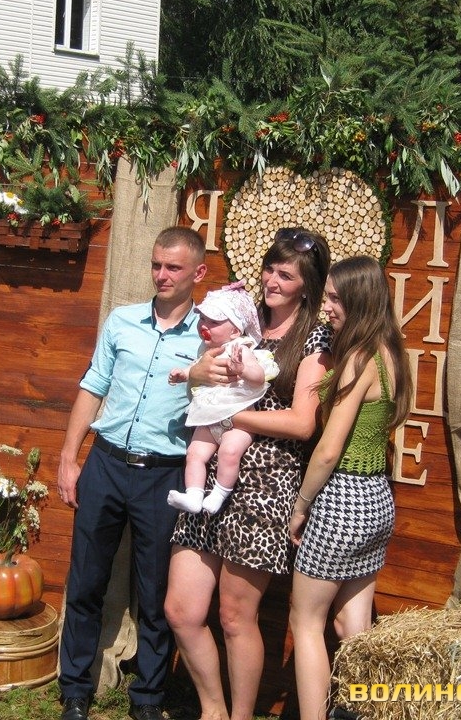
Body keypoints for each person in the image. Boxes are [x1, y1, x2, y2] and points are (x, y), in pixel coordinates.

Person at [166, 227, 333, 720]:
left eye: (286, 275)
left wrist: (233, 418)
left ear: (307, 285)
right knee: (181, 610)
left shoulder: (315, 338)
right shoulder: (242, 316)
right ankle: (212, 711)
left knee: (236, 616)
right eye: (269, 269)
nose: (272, 281)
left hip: (264, 484)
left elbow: (302, 423)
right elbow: (202, 378)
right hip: (208, 475)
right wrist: (198, 376)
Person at [56, 226, 208, 720]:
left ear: (198, 273)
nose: (162, 275)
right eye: (156, 265)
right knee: (86, 581)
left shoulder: (209, 337)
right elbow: (93, 386)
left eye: (173, 267)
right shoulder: (121, 322)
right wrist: (69, 456)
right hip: (106, 463)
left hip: (164, 475)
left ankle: (148, 698)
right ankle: (75, 689)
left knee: (156, 591)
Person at [288, 256, 413, 720]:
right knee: (353, 626)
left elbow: (328, 450)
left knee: (306, 621)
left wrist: (301, 505)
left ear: (360, 300)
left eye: (336, 299)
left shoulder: (359, 358)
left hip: (342, 499)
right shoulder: (391, 352)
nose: (327, 307)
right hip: (377, 499)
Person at [167, 280, 279, 515]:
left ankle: (219, 494)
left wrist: (243, 369)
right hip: (210, 417)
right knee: (195, 453)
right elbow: (195, 368)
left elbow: (258, 377)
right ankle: (194, 495)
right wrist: (184, 374)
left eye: (214, 322)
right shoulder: (205, 350)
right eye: (202, 319)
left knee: (230, 452)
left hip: (238, 418)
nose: (204, 325)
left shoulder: (241, 349)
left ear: (235, 330)